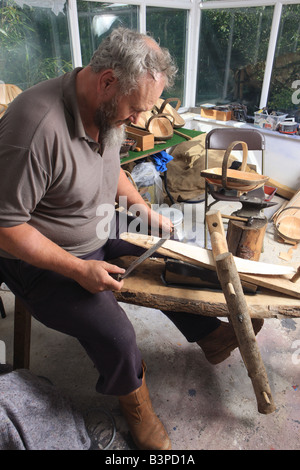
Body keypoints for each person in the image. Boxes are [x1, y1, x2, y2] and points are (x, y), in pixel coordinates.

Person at [0, 28, 263, 450]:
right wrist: (78, 269)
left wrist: (142, 208)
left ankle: (210, 336)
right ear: (107, 81)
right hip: (44, 258)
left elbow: (113, 170)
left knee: (174, 255)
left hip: (99, 224)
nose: (140, 120)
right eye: (136, 109)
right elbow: (6, 229)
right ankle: (138, 412)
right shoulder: (36, 127)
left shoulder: (109, 109)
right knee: (119, 336)